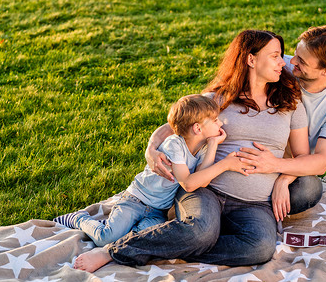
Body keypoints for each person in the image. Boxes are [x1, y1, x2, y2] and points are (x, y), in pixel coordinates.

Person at [73, 29, 311, 272]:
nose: (284, 62)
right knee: (199, 231)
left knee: (259, 248)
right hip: (206, 190)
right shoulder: (219, 98)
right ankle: (114, 251)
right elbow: (172, 126)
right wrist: (151, 149)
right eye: (275, 56)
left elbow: (303, 156)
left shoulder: (290, 103)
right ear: (251, 59)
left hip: (255, 203)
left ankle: (170, 246)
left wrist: (283, 178)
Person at [54, 94, 250, 249]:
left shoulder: (203, 149)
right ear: (198, 128)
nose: (220, 123)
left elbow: (202, 180)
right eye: (215, 120)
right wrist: (225, 164)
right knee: (107, 238)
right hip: (136, 200)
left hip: (158, 211)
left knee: (140, 240)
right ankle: (79, 218)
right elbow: (189, 183)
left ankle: (120, 240)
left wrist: (214, 143)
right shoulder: (174, 145)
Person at [235, 26, 326, 222]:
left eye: (302, 61)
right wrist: (168, 129)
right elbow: (222, 93)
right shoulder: (280, 68)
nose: (291, 61)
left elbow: (322, 162)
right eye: (296, 54)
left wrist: (282, 174)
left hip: (291, 163)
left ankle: (252, 208)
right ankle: (251, 206)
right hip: (251, 144)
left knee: (309, 189)